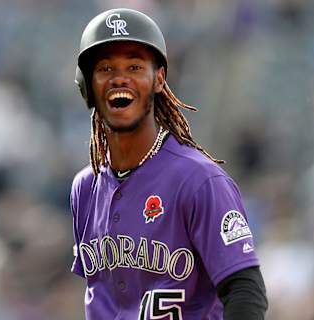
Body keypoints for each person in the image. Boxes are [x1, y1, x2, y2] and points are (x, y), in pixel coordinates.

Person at [70, 8, 268, 320]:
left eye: (134, 67)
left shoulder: (199, 180)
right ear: (87, 86)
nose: (120, 79)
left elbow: (245, 291)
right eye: (105, 68)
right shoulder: (85, 187)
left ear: (159, 79)